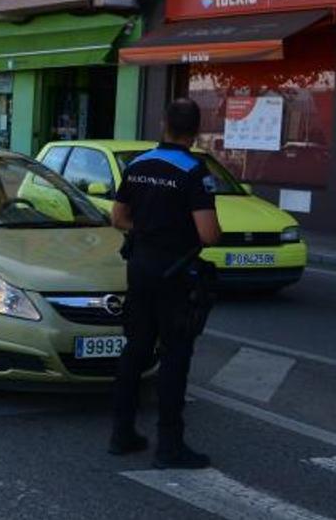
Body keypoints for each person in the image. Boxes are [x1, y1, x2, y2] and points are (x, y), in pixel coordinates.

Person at [109, 98, 221, 469]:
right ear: (196, 131)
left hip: (139, 267)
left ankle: (122, 433)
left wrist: (148, 230)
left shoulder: (138, 165)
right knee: (175, 355)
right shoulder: (194, 170)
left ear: (163, 124)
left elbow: (118, 218)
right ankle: (169, 446)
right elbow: (208, 234)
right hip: (175, 271)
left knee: (135, 349)